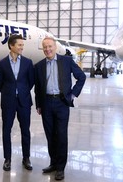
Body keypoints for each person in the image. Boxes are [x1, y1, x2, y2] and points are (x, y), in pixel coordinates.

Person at [34, 36, 86, 180]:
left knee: (61, 136)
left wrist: (73, 95)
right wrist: (38, 104)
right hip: (46, 104)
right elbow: (38, 88)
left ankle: (61, 168)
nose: (47, 49)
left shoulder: (67, 61)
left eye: (50, 46)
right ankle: (53, 163)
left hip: (62, 103)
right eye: (45, 47)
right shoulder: (39, 66)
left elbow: (81, 77)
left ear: (55, 47)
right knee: (50, 135)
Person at [0, 34, 34, 171]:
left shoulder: (28, 63)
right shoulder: (2, 63)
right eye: (20, 45)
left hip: (24, 101)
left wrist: (21, 91)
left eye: (22, 45)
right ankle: (7, 159)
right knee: (6, 130)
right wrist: (10, 92)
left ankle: (26, 158)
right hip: (8, 102)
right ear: (11, 45)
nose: (22, 47)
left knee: (26, 131)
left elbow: (31, 82)